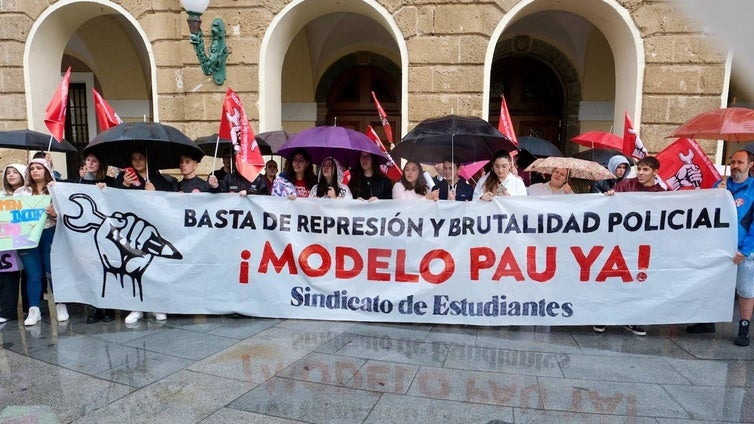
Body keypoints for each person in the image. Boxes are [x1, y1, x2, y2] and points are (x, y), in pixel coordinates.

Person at [687, 149, 753, 346]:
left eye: (740, 162)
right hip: (719, 247)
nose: (735, 166)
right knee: (710, 284)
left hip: (744, 250)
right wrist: (717, 194)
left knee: (745, 290)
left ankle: (744, 328)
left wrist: (746, 250)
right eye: (732, 162)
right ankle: (707, 321)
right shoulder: (721, 186)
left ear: (750, 165)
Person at [595, 156, 666, 336]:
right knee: (613, 279)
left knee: (638, 281)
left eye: (646, 170)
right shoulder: (625, 185)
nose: (641, 173)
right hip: (621, 242)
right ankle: (604, 317)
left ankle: (632, 319)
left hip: (644, 246)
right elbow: (609, 205)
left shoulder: (661, 192)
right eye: (639, 169)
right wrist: (609, 196)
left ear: (655, 172)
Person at [15, 158, 60, 325]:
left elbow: (69, 216)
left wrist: (55, 214)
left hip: (50, 233)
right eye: (32, 168)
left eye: (39, 168)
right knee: (33, 274)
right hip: (27, 236)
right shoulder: (20, 193)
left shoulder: (56, 190)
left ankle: (60, 304)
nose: (35, 171)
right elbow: (13, 215)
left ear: (46, 170)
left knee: (52, 271)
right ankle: (34, 309)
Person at [75, 152, 117, 323]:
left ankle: (109, 307)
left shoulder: (110, 181)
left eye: (94, 161)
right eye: (88, 161)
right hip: (86, 233)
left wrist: (106, 191)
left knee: (107, 267)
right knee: (91, 268)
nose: (90, 163)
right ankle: (95, 306)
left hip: (107, 232)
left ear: (101, 164)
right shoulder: (78, 181)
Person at [0, 164, 27, 324]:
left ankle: (29, 308)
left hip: (28, 242)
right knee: (7, 276)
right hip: (8, 245)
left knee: (31, 276)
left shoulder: (30, 194)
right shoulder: (2, 196)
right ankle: (7, 309)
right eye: (8, 173)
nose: (11, 175)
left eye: (15, 172)